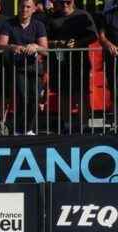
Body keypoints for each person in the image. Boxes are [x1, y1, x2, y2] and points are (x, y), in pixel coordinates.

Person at [47, 0, 97, 133]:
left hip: (80, 61)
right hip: (60, 61)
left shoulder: (83, 15)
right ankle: (67, 125)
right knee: (63, 93)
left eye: (68, 2)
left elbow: (93, 36)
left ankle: (84, 126)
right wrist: (58, 43)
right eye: (61, 2)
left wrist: (77, 43)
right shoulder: (53, 18)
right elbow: (44, 40)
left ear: (73, 1)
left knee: (82, 93)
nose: (64, 4)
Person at [0, 0, 47, 135]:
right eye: (22, 6)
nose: (24, 9)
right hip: (18, 67)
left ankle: (29, 129)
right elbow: (0, 45)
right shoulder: (9, 24)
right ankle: (19, 129)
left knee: (35, 98)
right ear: (18, 7)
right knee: (22, 97)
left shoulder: (39, 25)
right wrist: (13, 47)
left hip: (35, 67)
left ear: (33, 9)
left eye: (28, 7)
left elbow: (45, 50)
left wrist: (36, 46)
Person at [100, 0, 118, 118]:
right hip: (113, 60)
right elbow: (101, 36)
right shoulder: (108, 15)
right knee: (115, 90)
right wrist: (108, 44)